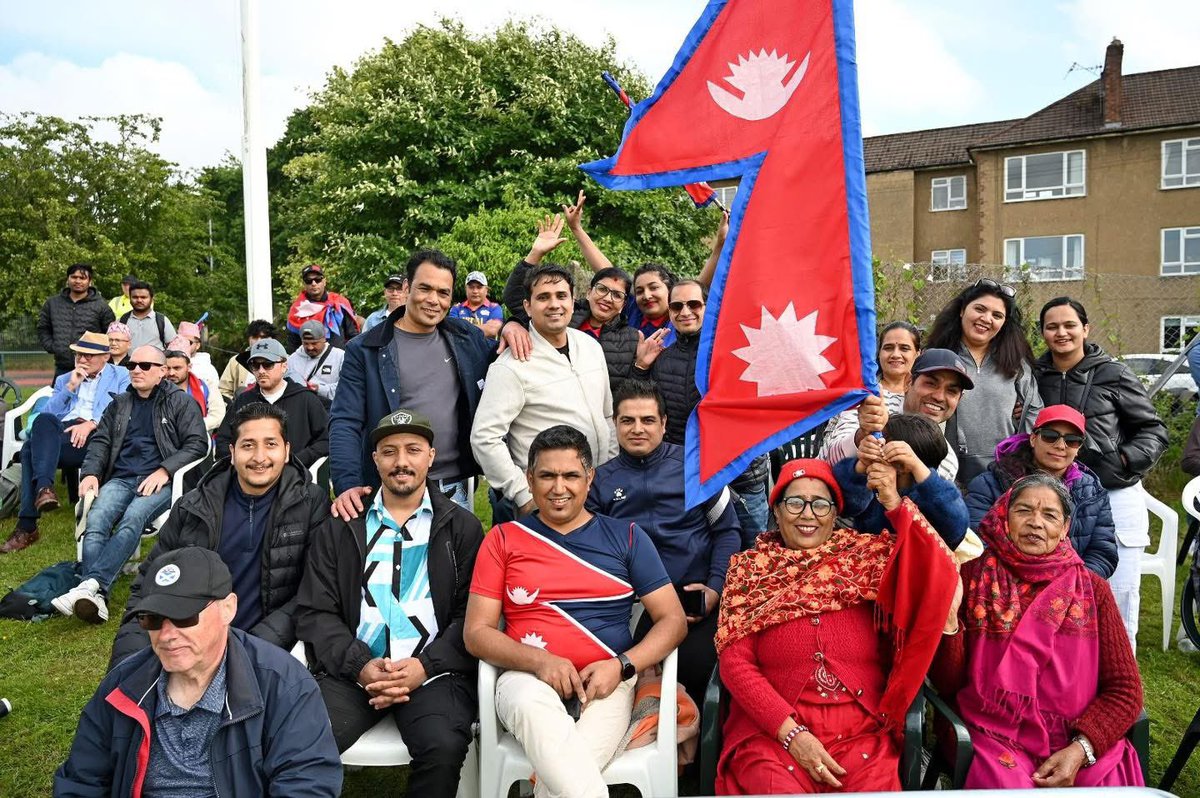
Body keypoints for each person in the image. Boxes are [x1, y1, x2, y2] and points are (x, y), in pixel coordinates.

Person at [464, 425, 687, 798]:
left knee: (566, 774)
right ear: (529, 479)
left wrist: (621, 666)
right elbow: (476, 633)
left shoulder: (627, 537)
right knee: (537, 714)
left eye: (570, 475)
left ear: (589, 478)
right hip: (525, 681)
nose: (559, 487)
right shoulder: (503, 539)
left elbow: (673, 620)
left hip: (608, 685)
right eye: (547, 476)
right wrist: (539, 662)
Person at [714, 458, 959, 794]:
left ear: (835, 515)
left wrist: (892, 501)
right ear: (777, 511)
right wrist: (791, 734)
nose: (808, 514)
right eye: (795, 502)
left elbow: (937, 567)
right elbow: (735, 663)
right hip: (773, 733)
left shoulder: (866, 557)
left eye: (820, 504)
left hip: (862, 732)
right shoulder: (749, 571)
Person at [295, 410, 484, 796]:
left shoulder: (462, 527)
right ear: (375, 459)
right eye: (389, 451)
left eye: (413, 450)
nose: (401, 461)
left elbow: (472, 614)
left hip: (434, 673)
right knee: (301, 742)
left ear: (430, 456)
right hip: (353, 674)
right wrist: (361, 666)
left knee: (442, 746)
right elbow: (316, 611)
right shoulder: (341, 525)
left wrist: (425, 666)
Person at [56, 547, 342, 796]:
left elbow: (307, 783)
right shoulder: (122, 687)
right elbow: (81, 782)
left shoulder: (285, 686)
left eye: (184, 616)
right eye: (152, 619)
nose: (167, 635)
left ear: (228, 609)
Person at [930, 474, 1144, 789]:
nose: (1035, 522)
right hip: (992, 732)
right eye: (1024, 510)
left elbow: (1125, 689)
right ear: (1004, 516)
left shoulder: (1093, 590)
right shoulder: (971, 577)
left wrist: (1081, 748)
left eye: (1050, 515)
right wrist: (950, 624)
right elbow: (948, 683)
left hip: (1075, 737)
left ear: (1065, 528)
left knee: (1106, 788)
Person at [109, 402, 331, 669]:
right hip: (191, 642)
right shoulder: (193, 506)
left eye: (270, 444)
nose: (259, 457)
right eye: (248, 445)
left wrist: (246, 648)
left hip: (259, 651)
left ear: (286, 451)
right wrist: (126, 663)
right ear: (232, 452)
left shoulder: (311, 504)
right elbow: (150, 583)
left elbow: (312, 592)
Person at [586, 380, 741, 706]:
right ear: (615, 423)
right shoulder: (598, 482)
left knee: (704, 669)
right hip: (632, 607)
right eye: (627, 420)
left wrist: (715, 589)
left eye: (647, 420)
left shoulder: (697, 467)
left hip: (696, 598)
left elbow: (727, 531)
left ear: (664, 423)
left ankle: (695, 738)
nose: (637, 429)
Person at [1034, 296, 1168, 649]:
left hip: (1114, 494)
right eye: (1052, 326)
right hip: (1054, 496)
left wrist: (1122, 460)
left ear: (1085, 329)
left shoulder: (1114, 373)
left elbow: (1153, 430)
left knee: (1118, 597)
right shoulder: (1033, 376)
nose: (1061, 333)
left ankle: (1123, 674)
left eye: (1069, 325)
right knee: (1061, 597)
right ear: (1043, 332)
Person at [330, 249, 496, 520]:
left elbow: (505, 355)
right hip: (391, 491)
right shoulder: (365, 349)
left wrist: (513, 325)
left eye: (443, 293)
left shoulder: (465, 338)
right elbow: (345, 420)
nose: (433, 300)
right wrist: (347, 483)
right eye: (425, 289)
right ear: (407, 288)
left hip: (453, 491)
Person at [51, 345, 209, 623]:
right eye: (131, 365)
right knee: (96, 519)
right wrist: (91, 473)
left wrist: (165, 470)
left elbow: (197, 443)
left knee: (133, 518)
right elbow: (101, 441)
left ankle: (91, 585)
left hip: (160, 480)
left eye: (144, 366)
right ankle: (95, 594)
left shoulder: (181, 402)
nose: (136, 370)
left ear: (162, 371)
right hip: (122, 477)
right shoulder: (120, 403)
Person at [472, 263, 616, 525]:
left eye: (561, 296)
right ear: (527, 306)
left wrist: (611, 469)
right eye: (543, 297)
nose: (554, 304)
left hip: (598, 491)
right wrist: (523, 495)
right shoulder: (512, 365)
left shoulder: (591, 347)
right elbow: (484, 437)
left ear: (573, 301)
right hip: (547, 500)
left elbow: (607, 415)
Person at [633, 278, 771, 540]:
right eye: (677, 306)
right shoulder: (661, 358)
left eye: (694, 304)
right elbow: (642, 407)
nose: (685, 312)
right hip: (687, 478)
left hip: (740, 475)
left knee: (754, 553)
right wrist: (641, 368)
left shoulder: (738, 349)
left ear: (708, 307)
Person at [1, 332, 130, 554]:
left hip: (99, 435)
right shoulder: (65, 379)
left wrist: (91, 424)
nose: (82, 359)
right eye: (79, 354)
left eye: (89, 355)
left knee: (30, 449)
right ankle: (44, 489)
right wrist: (71, 386)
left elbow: (122, 409)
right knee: (43, 420)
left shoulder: (121, 375)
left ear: (106, 356)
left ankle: (28, 524)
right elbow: (48, 413)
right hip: (64, 432)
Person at [965, 404, 1118, 578]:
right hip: (1000, 584)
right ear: (1033, 439)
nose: (1060, 445)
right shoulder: (989, 484)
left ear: (1079, 449)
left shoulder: (1093, 492)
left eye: (1072, 440)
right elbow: (976, 542)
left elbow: (1102, 553)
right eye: (1050, 436)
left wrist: (1071, 585)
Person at [503, 215, 640, 395]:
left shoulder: (632, 339)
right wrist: (535, 253)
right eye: (602, 289)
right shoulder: (563, 315)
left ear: (624, 304)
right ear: (588, 292)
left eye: (617, 295)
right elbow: (515, 298)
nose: (607, 298)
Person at [924, 278, 1043, 483]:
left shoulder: (1016, 364)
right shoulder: (936, 357)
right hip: (946, 471)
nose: (986, 319)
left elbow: (1035, 413)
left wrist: (1018, 460)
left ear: (1004, 323)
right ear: (962, 310)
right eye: (980, 309)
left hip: (1004, 474)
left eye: (997, 315)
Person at [820, 348, 974, 481]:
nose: (939, 397)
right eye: (931, 383)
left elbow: (927, 503)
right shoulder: (871, 403)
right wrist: (863, 435)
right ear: (908, 382)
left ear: (959, 400)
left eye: (951, 391)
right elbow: (825, 461)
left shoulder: (947, 460)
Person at [833, 413, 969, 550]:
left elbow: (954, 530)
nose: (878, 448)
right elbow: (845, 505)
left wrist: (916, 467)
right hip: (864, 556)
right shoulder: (874, 482)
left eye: (886, 446)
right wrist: (860, 467)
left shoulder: (935, 495)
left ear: (901, 465)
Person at [215, 339, 329, 469]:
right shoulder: (243, 400)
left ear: (284, 366)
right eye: (255, 365)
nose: (261, 371)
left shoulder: (306, 399)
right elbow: (223, 439)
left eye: (268, 364)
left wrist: (297, 461)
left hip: (294, 474)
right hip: (248, 475)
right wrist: (241, 463)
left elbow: (325, 440)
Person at [819, 321, 921, 451]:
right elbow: (833, 445)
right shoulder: (861, 392)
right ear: (879, 353)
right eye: (888, 348)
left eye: (904, 348)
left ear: (917, 354)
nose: (895, 354)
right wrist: (863, 434)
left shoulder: (922, 397)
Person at [37, 263, 116, 378]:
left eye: (82, 278)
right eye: (74, 277)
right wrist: (53, 347)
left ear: (90, 281)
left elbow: (110, 334)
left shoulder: (101, 306)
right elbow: (43, 328)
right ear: (68, 279)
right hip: (62, 367)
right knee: (61, 390)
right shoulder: (52, 303)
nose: (78, 281)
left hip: (91, 368)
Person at [286, 263, 359, 349]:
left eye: (317, 279)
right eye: (308, 281)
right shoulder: (297, 310)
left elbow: (353, 335)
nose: (314, 283)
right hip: (308, 356)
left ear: (324, 281)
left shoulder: (339, 303)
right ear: (304, 284)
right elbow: (293, 342)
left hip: (340, 355)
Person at [165, 338, 226, 434]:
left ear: (189, 367)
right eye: (168, 368)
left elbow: (218, 415)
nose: (171, 373)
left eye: (177, 368)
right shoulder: (157, 388)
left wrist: (194, 426)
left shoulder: (206, 386)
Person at [286, 319, 346, 403]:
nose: (310, 347)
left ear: (324, 339)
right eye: (306, 343)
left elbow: (346, 387)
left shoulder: (340, 356)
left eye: (314, 343)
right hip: (301, 405)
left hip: (330, 407)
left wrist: (319, 389)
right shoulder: (292, 360)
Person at [218, 319, 276, 401]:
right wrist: (236, 404)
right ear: (249, 339)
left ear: (272, 339)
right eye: (255, 337)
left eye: (263, 337)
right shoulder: (236, 361)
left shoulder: (282, 360)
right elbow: (223, 391)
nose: (259, 341)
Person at [119, 280, 176, 350]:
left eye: (143, 297)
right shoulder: (122, 321)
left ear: (152, 299)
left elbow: (173, 347)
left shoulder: (162, 321)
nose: (139, 300)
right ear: (130, 299)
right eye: (135, 297)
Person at [449, 270, 504, 339]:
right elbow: (453, 329)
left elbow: (492, 330)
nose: (475, 291)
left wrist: (462, 328)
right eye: (471, 287)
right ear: (466, 289)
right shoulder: (456, 308)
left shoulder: (494, 308)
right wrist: (484, 328)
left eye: (479, 287)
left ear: (486, 290)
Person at [175, 320, 221, 400]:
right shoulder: (166, 363)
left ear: (197, 345)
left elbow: (214, 401)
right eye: (180, 341)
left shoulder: (208, 370)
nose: (184, 344)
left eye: (189, 342)